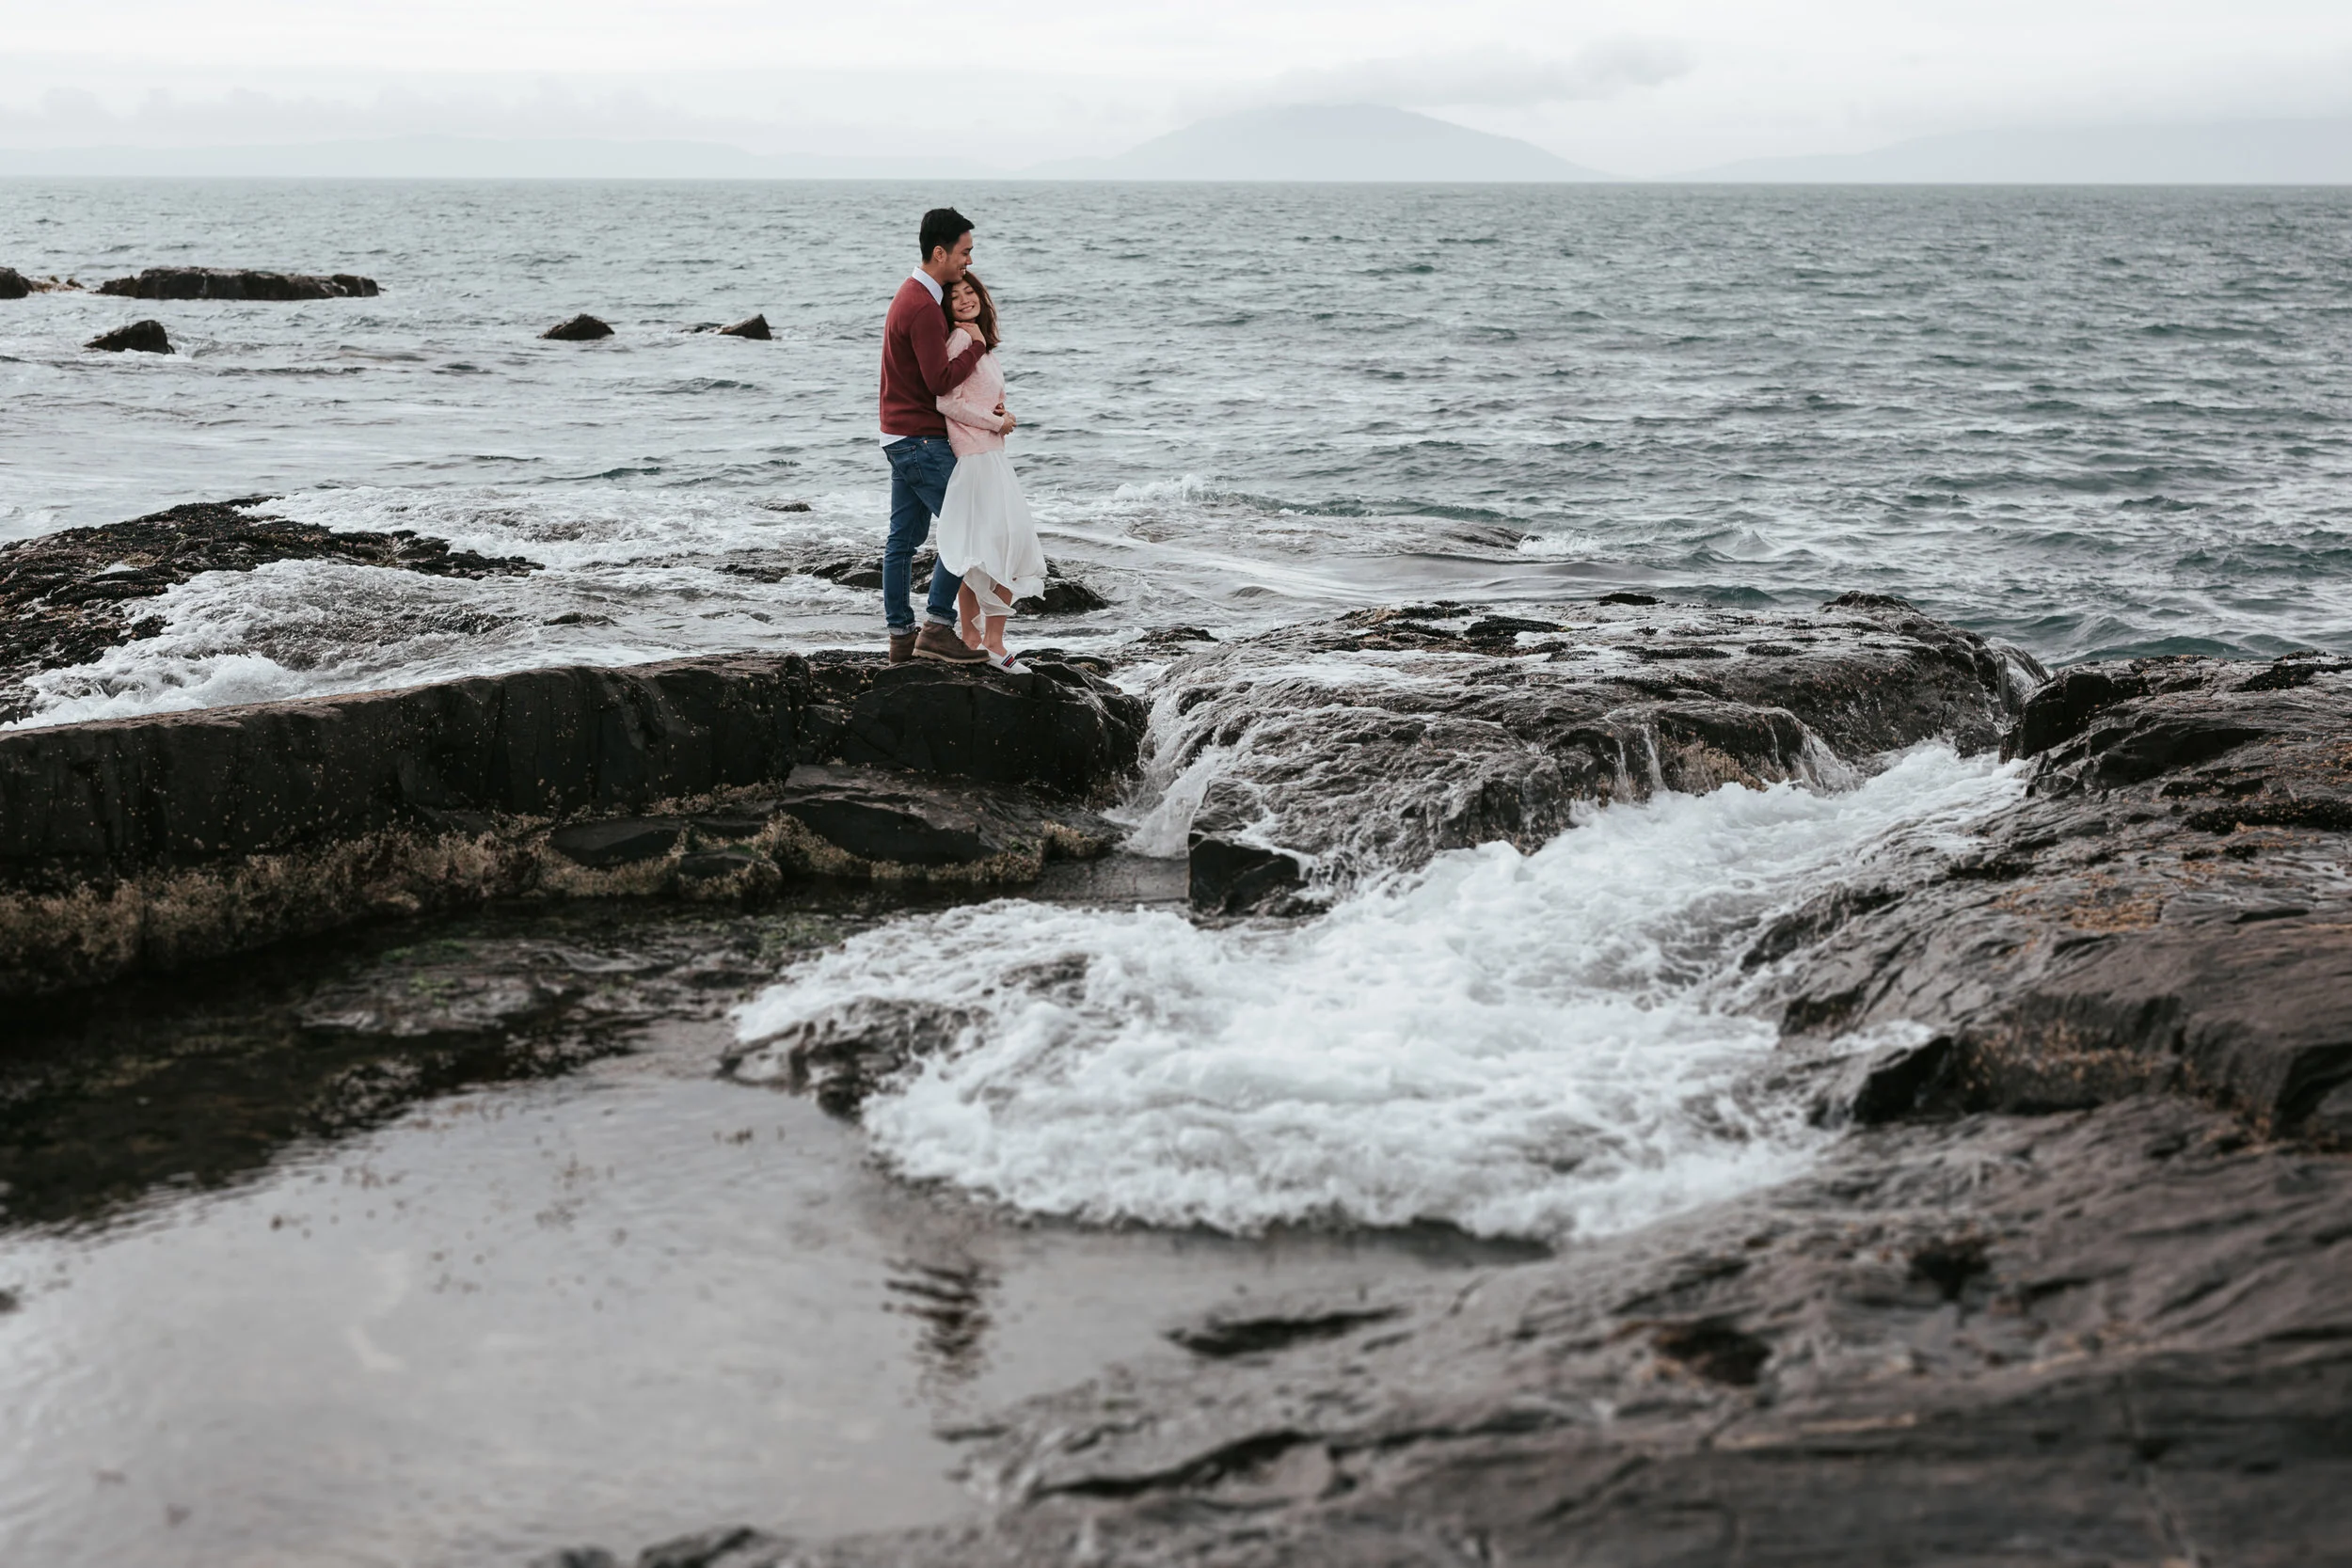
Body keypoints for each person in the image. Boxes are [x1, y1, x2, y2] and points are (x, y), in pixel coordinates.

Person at [876, 207, 994, 665]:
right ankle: (937, 628)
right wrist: (977, 346)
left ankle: (900, 637)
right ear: (940, 252)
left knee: (903, 540)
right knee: (970, 525)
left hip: (898, 436)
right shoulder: (923, 306)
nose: (969, 261)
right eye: (965, 253)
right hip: (919, 440)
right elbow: (940, 381)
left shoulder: (911, 295)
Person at [933, 273, 1045, 673]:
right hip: (976, 459)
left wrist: (1003, 414)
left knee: (996, 549)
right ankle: (987, 641)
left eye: (970, 292)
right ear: (946, 308)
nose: (965, 299)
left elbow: (982, 401)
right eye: (955, 296)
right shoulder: (961, 340)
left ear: (982, 296)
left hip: (993, 456)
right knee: (997, 550)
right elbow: (946, 402)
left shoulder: (985, 348)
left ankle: (978, 640)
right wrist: (996, 422)